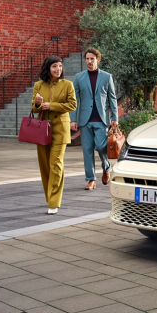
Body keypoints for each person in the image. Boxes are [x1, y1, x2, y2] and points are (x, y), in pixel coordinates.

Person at [33, 56, 77, 215]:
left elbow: (72, 105)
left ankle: (54, 202)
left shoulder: (68, 84)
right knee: (45, 165)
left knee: (56, 163)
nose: (58, 69)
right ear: (48, 69)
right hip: (43, 129)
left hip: (60, 128)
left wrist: (51, 105)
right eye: (54, 67)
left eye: (60, 66)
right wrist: (38, 104)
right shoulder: (38, 85)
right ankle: (49, 196)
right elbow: (35, 108)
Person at [70, 48, 119, 190]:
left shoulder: (106, 77)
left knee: (100, 146)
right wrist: (73, 119)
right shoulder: (79, 77)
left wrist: (115, 117)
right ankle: (91, 179)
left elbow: (112, 98)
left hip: (101, 119)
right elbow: (75, 100)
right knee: (87, 150)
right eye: (87, 59)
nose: (89, 61)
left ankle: (106, 167)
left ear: (98, 59)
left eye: (92, 59)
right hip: (85, 120)